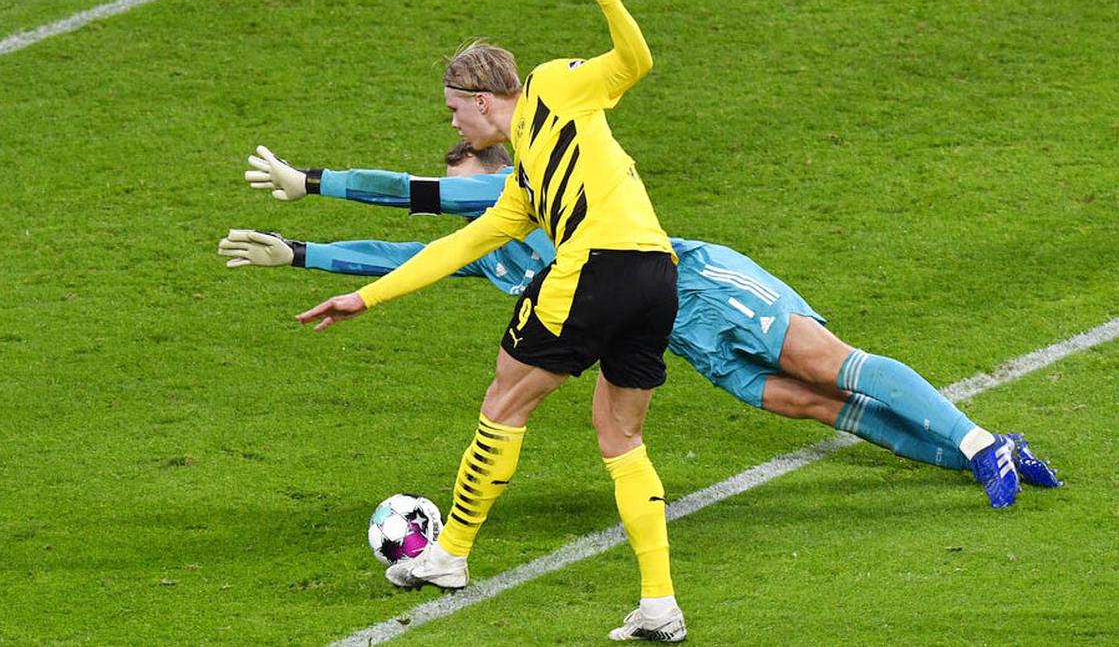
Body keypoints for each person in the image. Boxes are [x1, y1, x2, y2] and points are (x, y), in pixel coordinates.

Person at [221, 142, 1064, 500]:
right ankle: (989, 458)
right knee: (809, 405)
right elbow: (393, 254)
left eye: (463, 140)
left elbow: (413, 195)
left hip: (700, 280)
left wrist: (314, 180)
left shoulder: (531, 185)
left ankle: (978, 442)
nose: (456, 153)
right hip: (671, 333)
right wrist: (302, 255)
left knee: (828, 363)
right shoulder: (491, 249)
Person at [288, 0, 687, 641]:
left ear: (480, 99)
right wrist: (368, 297)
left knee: (503, 402)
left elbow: (634, 62)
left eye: (452, 111)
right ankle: (659, 603)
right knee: (619, 434)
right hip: (657, 277)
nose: (452, 127)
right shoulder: (525, 183)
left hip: (595, 269)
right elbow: (457, 247)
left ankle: (450, 555)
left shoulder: (553, 86)